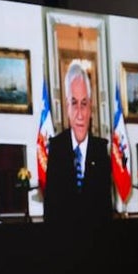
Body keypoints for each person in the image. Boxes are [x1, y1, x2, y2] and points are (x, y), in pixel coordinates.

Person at [44, 60, 113, 222]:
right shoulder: (56, 148)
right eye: (74, 104)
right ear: (67, 107)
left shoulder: (101, 151)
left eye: (84, 104)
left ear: (90, 109)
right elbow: (51, 210)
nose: (80, 114)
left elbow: (106, 211)